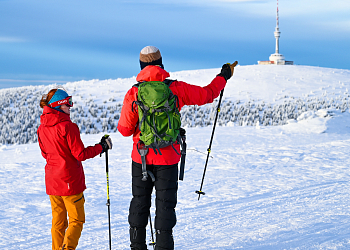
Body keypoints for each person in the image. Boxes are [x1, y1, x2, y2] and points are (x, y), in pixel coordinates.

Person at [117, 45, 237, 250]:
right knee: (165, 207)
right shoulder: (175, 88)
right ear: (161, 64)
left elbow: (125, 130)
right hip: (168, 159)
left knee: (139, 203)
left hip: (141, 158)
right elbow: (207, 94)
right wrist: (223, 76)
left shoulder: (134, 93)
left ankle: (137, 247)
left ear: (141, 66)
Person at [37, 87, 112, 250]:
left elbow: (45, 154)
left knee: (59, 223)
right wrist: (101, 147)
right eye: (68, 104)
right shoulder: (67, 127)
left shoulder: (42, 127)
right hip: (69, 182)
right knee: (76, 220)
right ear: (58, 106)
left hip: (52, 182)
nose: (70, 107)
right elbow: (80, 154)